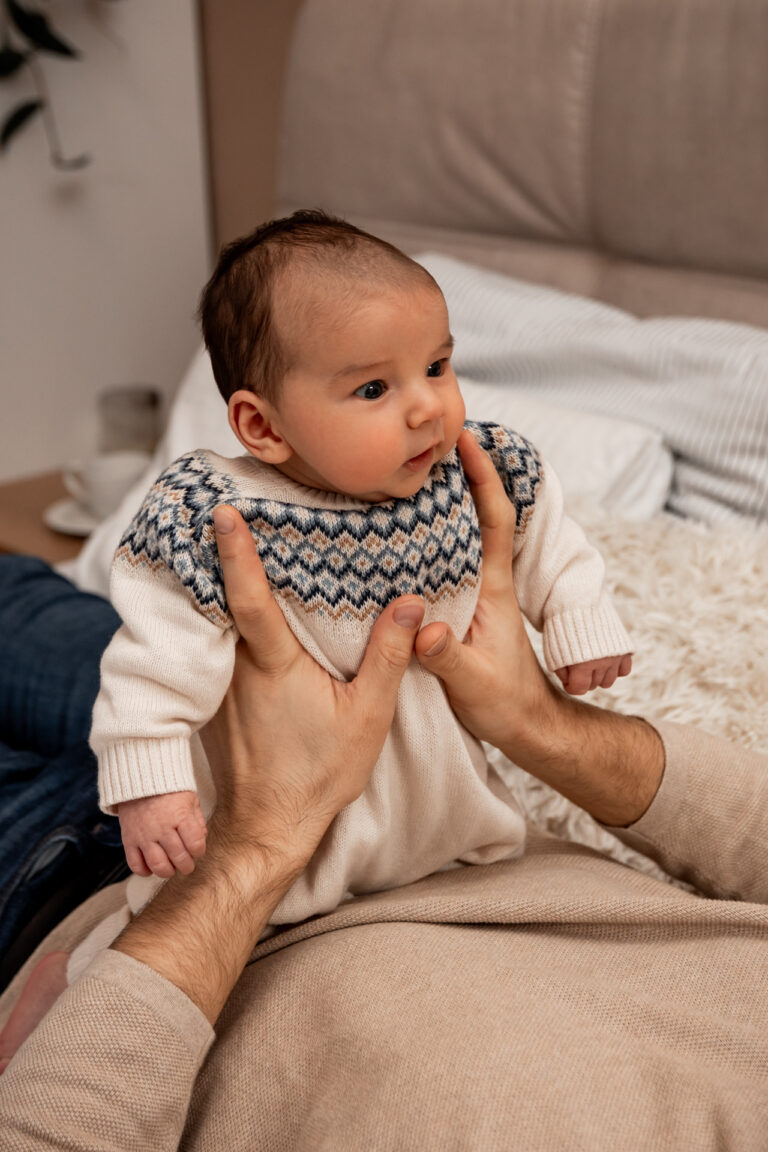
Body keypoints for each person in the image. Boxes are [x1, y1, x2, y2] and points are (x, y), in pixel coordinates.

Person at [0, 440, 766, 1150]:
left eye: (436, 369)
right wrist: (546, 725)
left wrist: (261, 835)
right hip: (261, 704)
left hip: (141, 917)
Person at [89, 209, 632, 933]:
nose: (426, 408)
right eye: (374, 389)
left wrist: (576, 615)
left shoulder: (480, 472)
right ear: (264, 427)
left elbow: (545, 538)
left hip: (453, 836)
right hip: (287, 861)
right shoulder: (215, 514)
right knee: (137, 921)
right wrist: (150, 784)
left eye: (437, 366)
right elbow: (152, 658)